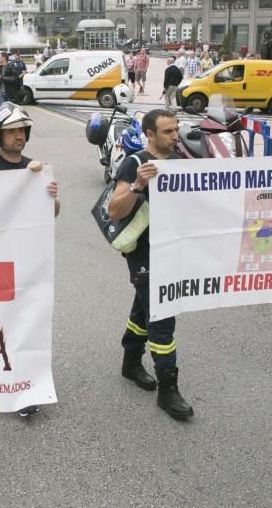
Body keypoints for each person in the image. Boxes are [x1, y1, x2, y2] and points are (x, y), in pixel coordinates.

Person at [108, 109, 193, 420]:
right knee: (161, 316)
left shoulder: (181, 162)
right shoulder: (134, 163)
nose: (174, 136)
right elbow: (114, 210)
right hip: (143, 251)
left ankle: (130, 361)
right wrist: (137, 186)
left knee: (143, 308)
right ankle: (168, 389)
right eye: (168, 132)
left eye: (175, 130)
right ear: (150, 134)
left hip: (172, 248)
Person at [0, 102, 60, 418]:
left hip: (30, 261)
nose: (18, 137)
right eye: (11, 131)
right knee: (4, 322)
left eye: (21, 131)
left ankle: (25, 387)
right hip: (0, 260)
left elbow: (53, 214)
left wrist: (50, 195)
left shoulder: (36, 168)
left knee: (29, 322)